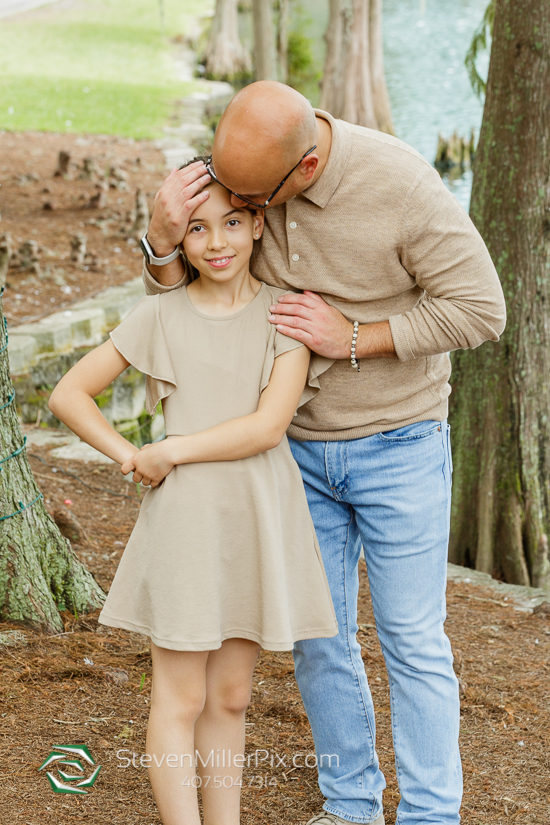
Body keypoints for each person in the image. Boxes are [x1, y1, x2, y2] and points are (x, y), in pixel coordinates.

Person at [139, 81, 507, 825]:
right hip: (294, 451)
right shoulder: (242, 172)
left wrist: (355, 338)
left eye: (249, 199)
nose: (237, 208)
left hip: (399, 441)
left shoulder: (400, 183)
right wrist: (158, 241)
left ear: (303, 168)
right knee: (321, 640)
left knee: (411, 638)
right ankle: (351, 805)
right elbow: (194, 306)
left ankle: (434, 813)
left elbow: (481, 308)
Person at [47, 169, 339, 825]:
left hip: (257, 517)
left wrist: (171, 449)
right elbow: (68, 394)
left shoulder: (284, 314)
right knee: (178, 697)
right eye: (198, 228)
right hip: (186, 522)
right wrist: (128, 454)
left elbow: (268, 426)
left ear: (259, 224)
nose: (216, 242)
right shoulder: (160, 313)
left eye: (232, 223)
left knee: (232, 695)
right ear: (181, 236)